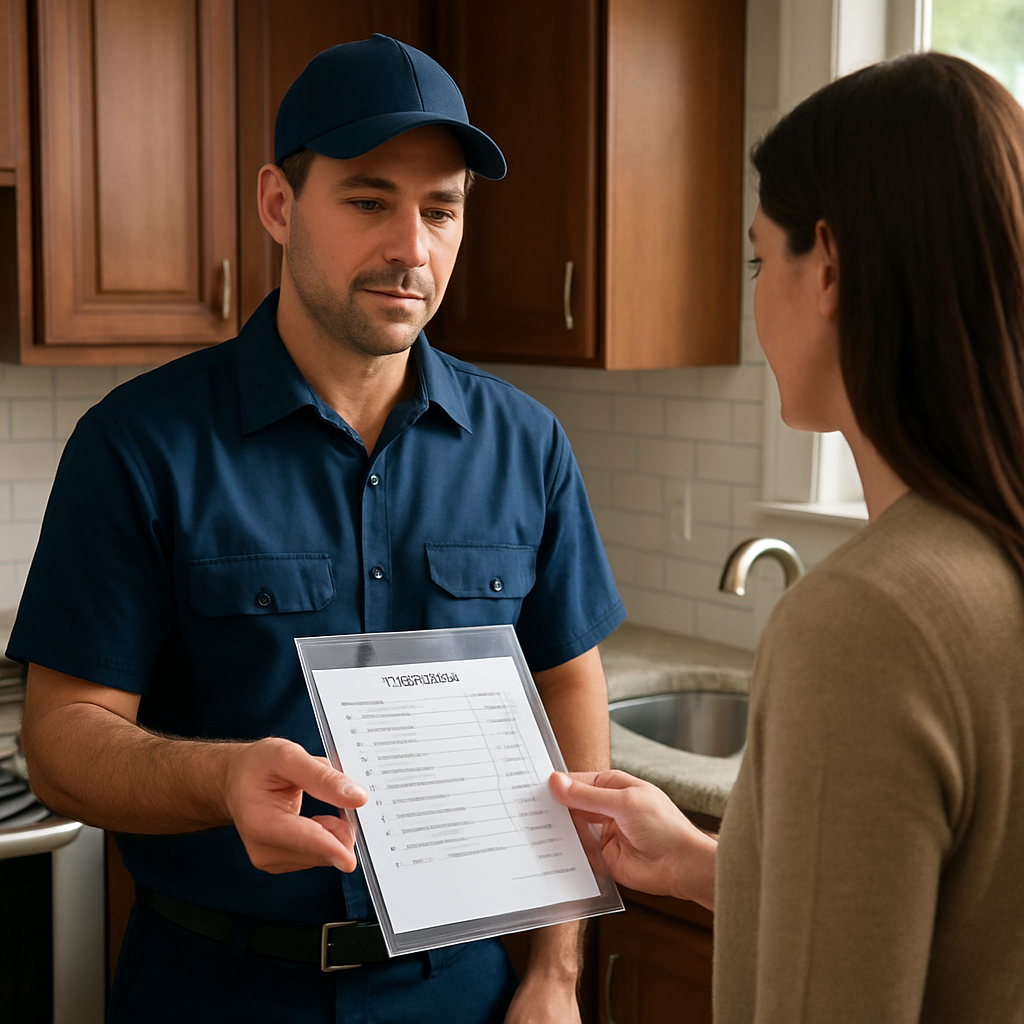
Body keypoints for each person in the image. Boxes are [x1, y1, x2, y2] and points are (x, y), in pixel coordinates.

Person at [11, 34, 625, 1024]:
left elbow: (568, 688)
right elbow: (59, 740)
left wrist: (556, 970)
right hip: (213, 987)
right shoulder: (137, 443)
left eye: (441, 210)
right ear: (278, 204)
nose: (411, 248)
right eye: (369, 201)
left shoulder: (529, 444)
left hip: (459, 988)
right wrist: (222, 778)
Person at [552, 51, 1024, 1023]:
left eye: (760, 259)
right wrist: (706, 865)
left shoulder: (865, 622)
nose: (756, 295)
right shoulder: (992, 559)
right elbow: (955, 926)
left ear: (830, 269)